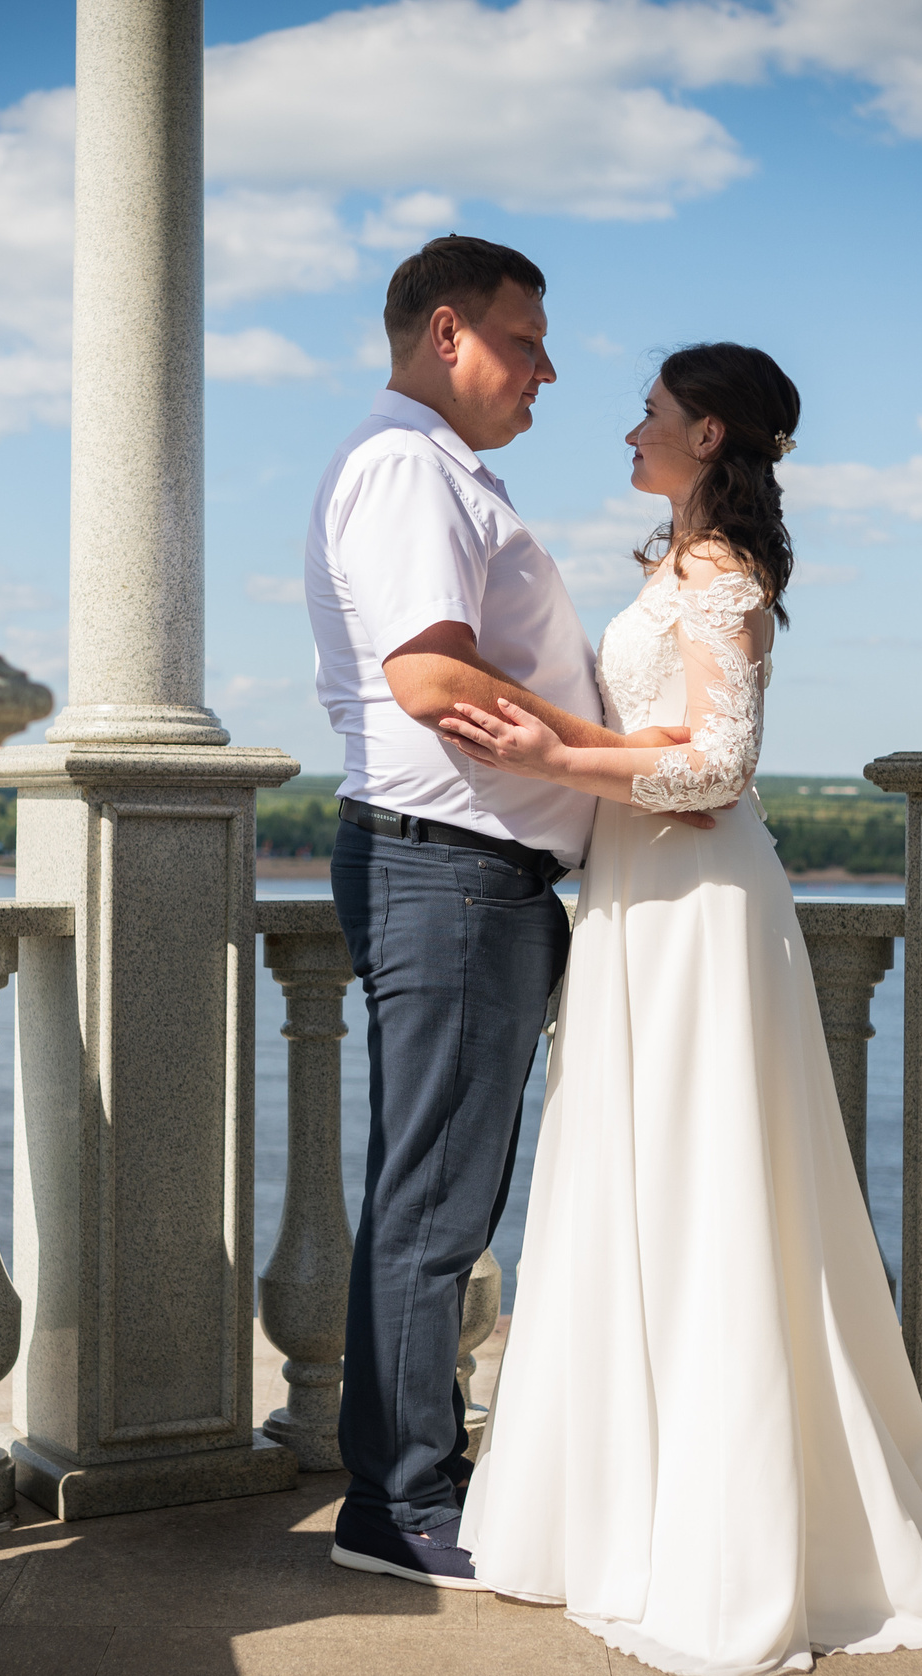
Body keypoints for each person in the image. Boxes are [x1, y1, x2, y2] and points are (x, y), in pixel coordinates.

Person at [440, 343, 922, 1676]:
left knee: (708, 1195)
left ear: (704, 436)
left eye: (645, 414)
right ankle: (612, 1514)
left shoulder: (723, 580)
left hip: (698, 907)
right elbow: (657, 749)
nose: (623, 432)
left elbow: (712, 768)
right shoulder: (672, 569)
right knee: (628, 1187)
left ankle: (729, 1540)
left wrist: (553, 756)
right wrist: (550, 744)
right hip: (640, 904)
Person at [301, 236, 699, 1589]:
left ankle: (413, 1477)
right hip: (450, 866)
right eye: (526, 341)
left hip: (467, 871)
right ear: (449, 333)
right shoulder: (410, 467)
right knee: (435, 1201)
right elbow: (428, 678)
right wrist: (614, 752)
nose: (546, 367)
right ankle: (401, 1501)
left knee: (441, 1190)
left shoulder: (441, 470)